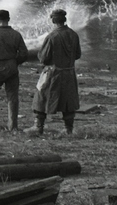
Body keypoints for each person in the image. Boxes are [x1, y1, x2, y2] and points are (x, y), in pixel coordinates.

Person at [31, 8, 82, 136]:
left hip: (53, 73)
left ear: (53, 20)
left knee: (41, 97)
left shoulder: (52, 36)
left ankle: (38, 127)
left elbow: (43, 58)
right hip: (69, 73)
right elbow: (78, 54)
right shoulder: (74, 34)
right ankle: (68, 129)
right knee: (68, 101)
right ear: (64, 20)